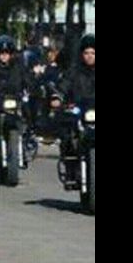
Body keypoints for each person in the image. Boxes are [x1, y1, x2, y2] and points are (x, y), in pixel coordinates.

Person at [51, 34, 95, 182]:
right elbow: (64, 84)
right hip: (78, 109)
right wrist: (58, 97)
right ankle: (70, 166)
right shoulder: (74, 71)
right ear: (81, 54)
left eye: (93, 53)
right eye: (86, 53)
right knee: (68, 133)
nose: (89, 56)